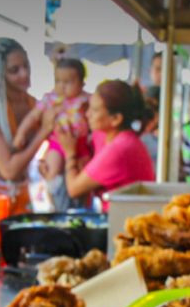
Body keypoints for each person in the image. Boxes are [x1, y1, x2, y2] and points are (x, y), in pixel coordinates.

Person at [0, 37, 57, 215]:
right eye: (14, 70)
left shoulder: (33, 104)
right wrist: (44, 131)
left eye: (26, 66)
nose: (24, 74)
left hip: (22, 193)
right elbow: (8, 169)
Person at [55, 80, 156, 210]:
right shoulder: (105, 135)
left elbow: (74, 189)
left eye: (95, 110)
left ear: (116, 119)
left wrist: (69, 153)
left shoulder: (121, 147)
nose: (87, 114)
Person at [13, 58, 90, 211]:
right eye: (58, 81)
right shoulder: (50, 99)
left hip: (80, 144)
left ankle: (82, 204)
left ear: (81, 83)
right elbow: (33, 116)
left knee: (83, 176)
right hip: (57, 143)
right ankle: (52, 201)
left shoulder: (86, 99)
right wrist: (21, 133)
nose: (62, 86)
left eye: (68, 82)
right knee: (52, 171)